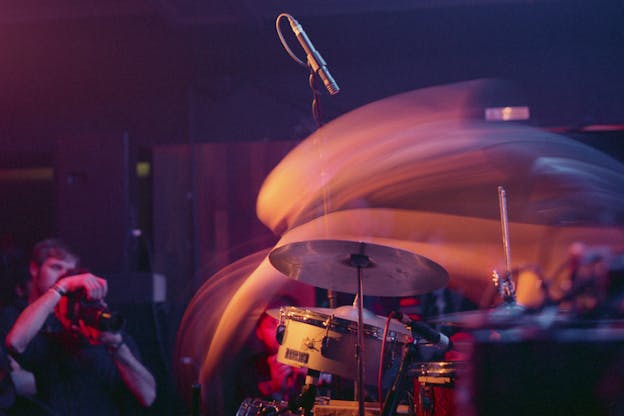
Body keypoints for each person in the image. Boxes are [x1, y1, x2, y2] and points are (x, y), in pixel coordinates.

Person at [0, 238, 156, 415]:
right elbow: (15, 342)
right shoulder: (52, 342)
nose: (84, 307)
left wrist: (116, 347)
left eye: (90, 300)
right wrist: (61, 288)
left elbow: (148, 397)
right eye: (78, 300)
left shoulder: (116, 341)